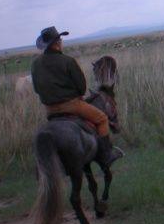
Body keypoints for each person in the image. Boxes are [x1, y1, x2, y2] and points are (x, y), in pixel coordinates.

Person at [31, 26, 123, 168]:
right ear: (56, 43)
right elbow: (82, 87)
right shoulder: (67, 61)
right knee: (102, 119)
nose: (61, 42)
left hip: (49, 110)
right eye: (60, 40)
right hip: (72, 105)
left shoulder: (35, 64)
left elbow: (37, 89)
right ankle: (106, 155)